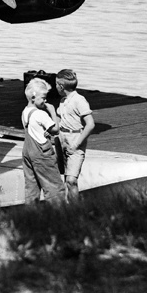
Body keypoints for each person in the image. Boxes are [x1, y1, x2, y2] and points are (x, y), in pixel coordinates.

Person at [21, 77, 70, 203]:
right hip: (42, 153)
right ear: (33, 97)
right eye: (43, 97)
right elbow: (56, 129)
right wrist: (53, 112)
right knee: (54, 187)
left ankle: (32, 214)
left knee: (32, 186)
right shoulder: (40, 114)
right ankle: (58, 214)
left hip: (28, 151)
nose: (45, 100)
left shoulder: (25, 112)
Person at [54, 69, 94, 197]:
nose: (55, 87)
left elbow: (90, 124)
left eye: (56, 84)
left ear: (61, 86)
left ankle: (76, 210)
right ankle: (67, 205)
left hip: (75, 140)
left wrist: (77, 143)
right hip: (62, 139)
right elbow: (58, 120)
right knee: (64, 177)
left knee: (71, 180)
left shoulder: (79, 100)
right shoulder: (63, 101)